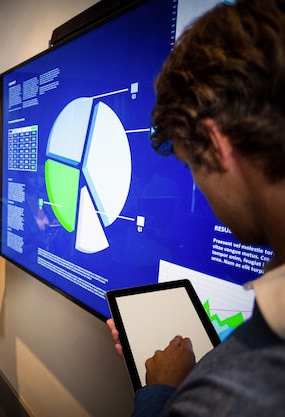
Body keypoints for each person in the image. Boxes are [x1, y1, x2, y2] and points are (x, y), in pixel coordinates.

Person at [107, 1, 285, 415]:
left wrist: (163, 391)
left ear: (217, 145)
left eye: (190, 165)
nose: (197, 187)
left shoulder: (226, 398)